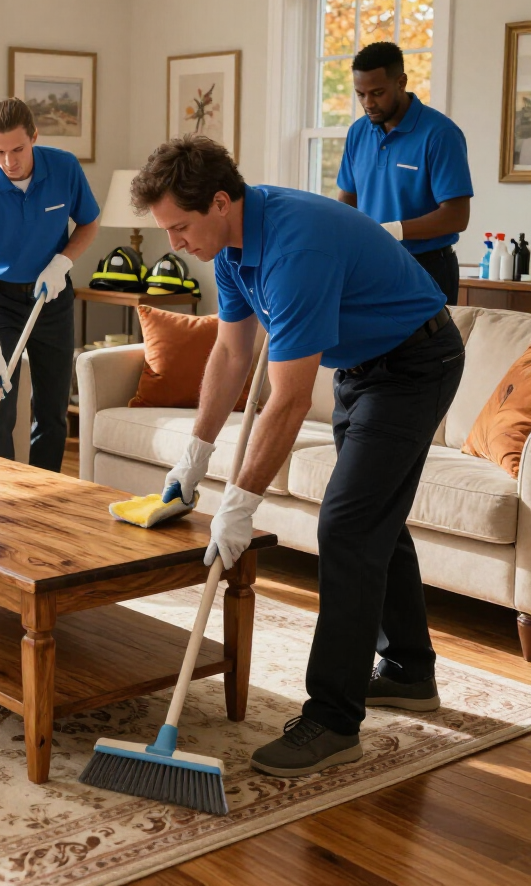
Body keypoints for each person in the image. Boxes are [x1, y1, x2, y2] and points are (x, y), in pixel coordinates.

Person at [133, 135, 464, 777]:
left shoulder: (294, 247)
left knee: (347, 524)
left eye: (179, 227)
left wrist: (240, 504)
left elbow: (285, 401)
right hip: (362, 366)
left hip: (415, 364)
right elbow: (231, 354)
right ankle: (409, 670)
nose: (174, 243)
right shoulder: (231, 248)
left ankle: (334, 720)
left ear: (221, 201)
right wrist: (195, 457)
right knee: (373, 520)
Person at [0, 98, 100, 471]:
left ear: (34, 137)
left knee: (52, 410)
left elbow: (88, 223)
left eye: (17, 149)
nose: (9, 161)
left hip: (52, 296)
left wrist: (63, 261)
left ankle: (44, 498)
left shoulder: (64, 167)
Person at [337, 41, 473, 304]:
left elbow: (456, 217)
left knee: (429, 346)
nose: (368, 103)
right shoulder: (358, 132)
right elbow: (348, 200)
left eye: (377, 92)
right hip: (370, 265)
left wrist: (391, 230)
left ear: (401, 82)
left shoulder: (440, 134)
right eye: (360, 94)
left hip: (427, 267)